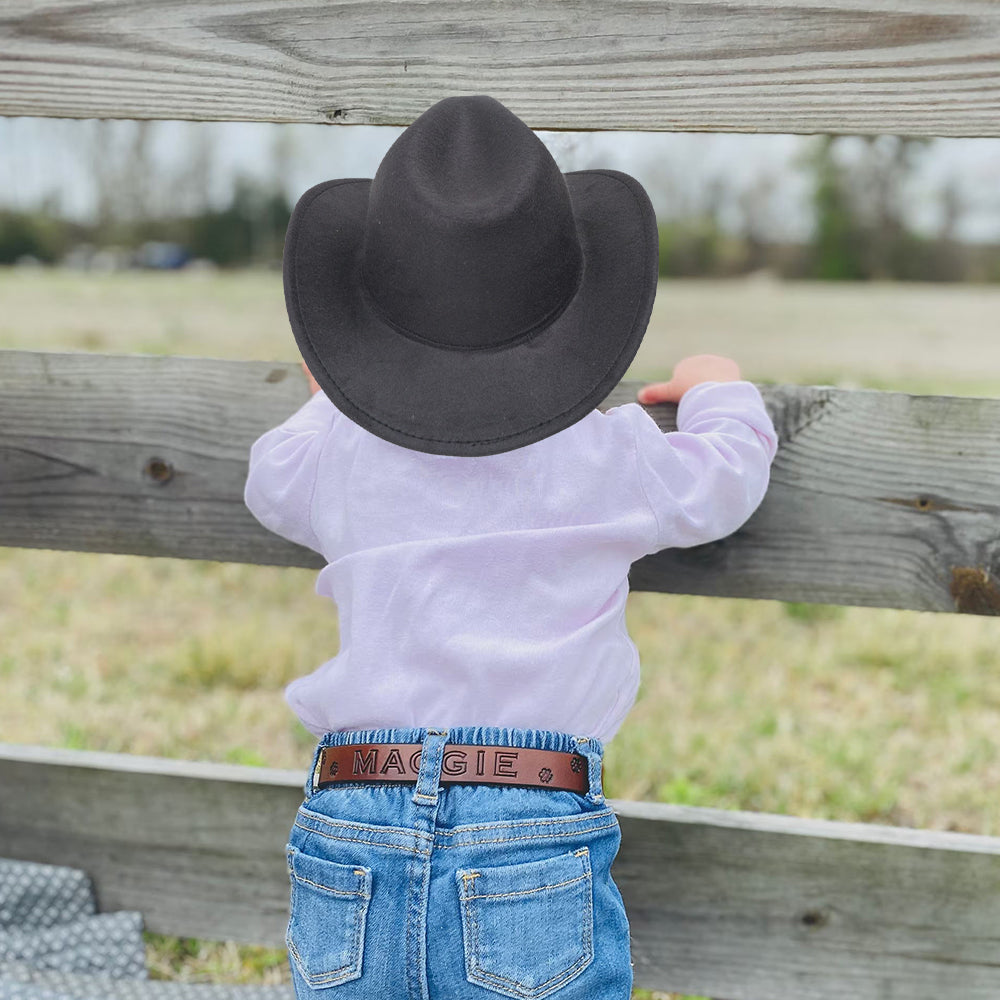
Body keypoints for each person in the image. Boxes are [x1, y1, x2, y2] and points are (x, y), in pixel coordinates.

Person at [244, 94, 777, 999]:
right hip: (529, 811)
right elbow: (725, 479)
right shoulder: (612, 456)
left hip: (353, 801)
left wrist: (333, 400)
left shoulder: (338, 449)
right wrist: (718, 388)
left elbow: (272, 479)